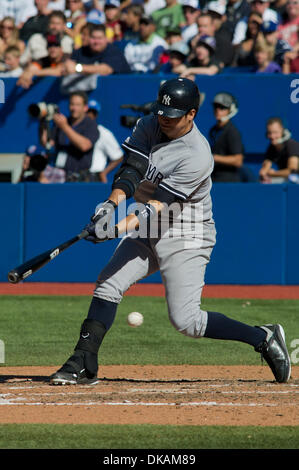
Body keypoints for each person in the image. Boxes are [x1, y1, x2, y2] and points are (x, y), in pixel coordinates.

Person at [49, 77, 291, 386]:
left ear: (191, 114)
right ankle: (83, 361)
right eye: (161, 112)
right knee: (108, 284)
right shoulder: (151, 123)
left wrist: (114, 229)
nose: (164, 118)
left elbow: (159, 206)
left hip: (185, 232)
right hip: (147, 223)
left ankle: (262, 337)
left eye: (173, 115)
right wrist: (110, 207)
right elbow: (132, 169)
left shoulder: (197, 155)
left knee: (186, 321)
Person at [40, 91, 99, 182]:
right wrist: (43, 122)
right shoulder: (62, 122)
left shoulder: (90, 124)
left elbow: (85, 146)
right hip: (60, 174)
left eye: (78, 105)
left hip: (79, 178)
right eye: (72, 104)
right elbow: (47, 144)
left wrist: (64, 127)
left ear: (85, 107)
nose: (74, 108)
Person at [62, 23, 131, 76]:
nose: (96, 42)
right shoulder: (81, 51)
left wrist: (77, 68)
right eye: (93, 38)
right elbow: (66, 67)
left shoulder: (113, 51)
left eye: (99, 38)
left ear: (106, 39)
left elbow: (106, 70)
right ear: (89, 38)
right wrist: (66, 67)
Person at [209, 92, 244, 182]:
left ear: (231, 110)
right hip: (214, 178)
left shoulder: (232, 132)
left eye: (222, 107)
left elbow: (238, 160)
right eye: (215, 106)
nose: (217, 110)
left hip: (228, 181)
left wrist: (214, 157)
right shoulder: (213, 130)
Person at [87, 99, 124, 182]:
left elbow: (119, 156)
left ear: (96, 115)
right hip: (74, 176)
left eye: (93, 112)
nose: (89, 115)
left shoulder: (103, 133)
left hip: (93, 178)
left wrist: (104, 173)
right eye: (87, 111)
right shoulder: (74, 131)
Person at [259, 117, 299, 182]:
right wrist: (264, 173)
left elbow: (292, 171)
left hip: (295, 180)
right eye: (269, 133)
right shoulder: (271, 148)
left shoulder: (292, 145)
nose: (272, 136)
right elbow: (265, 168)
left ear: (282, 131)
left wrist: (273, 174)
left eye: (275, 132)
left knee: (293, 179)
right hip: (286, 180)